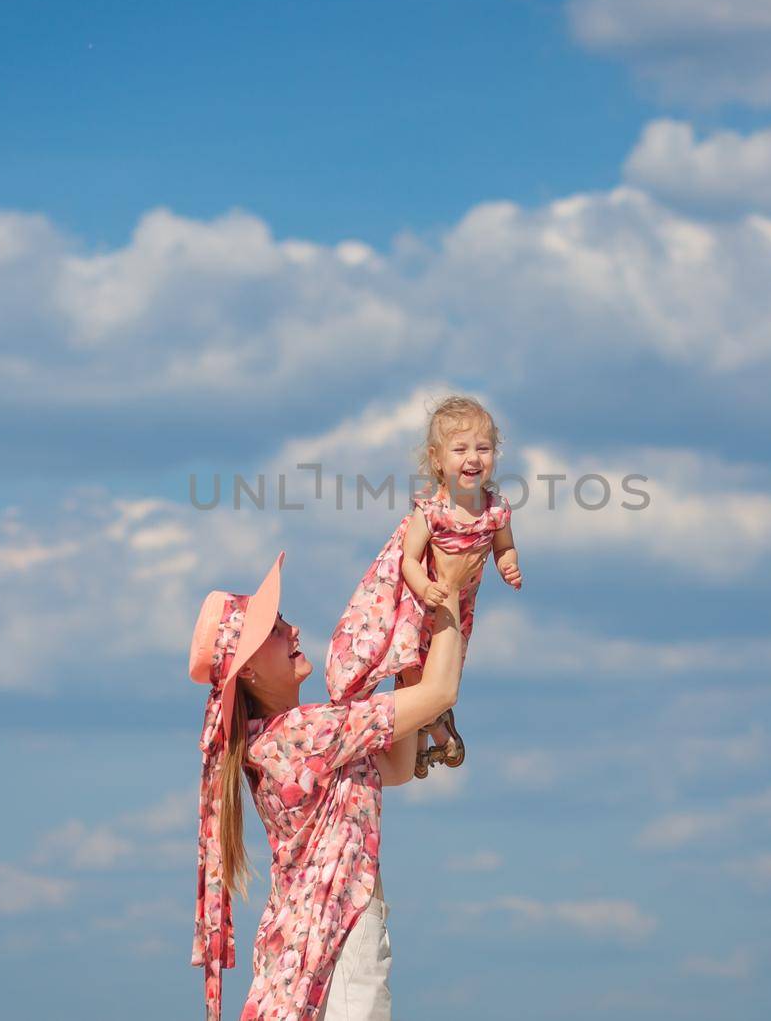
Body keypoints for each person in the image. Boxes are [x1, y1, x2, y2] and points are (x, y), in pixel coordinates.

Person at [189, 544, 488, 1021]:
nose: (292, 629)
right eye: (274, 629)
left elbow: (392, 767)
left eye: (282, 618)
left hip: (309, 942)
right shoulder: (307, 734)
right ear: (247, 671)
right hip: (340, 936)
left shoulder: (271, 742)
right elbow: (441, 692)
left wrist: (409, 647)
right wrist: (447, 591)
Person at [323, 395, 522, 776]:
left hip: (458, 608)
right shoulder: (431, 511)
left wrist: (509, 565)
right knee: (413, 664)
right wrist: (426, 586)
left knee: (447, 666)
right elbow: (408, 559)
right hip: (420, 602)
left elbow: (505, 547)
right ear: (437, 459)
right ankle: (429, 730)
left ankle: (428, 730)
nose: (473, 458)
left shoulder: (496, 509)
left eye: (483, 448)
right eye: (460, 449)